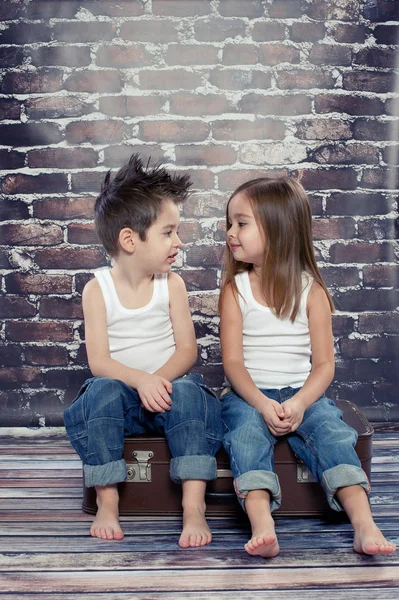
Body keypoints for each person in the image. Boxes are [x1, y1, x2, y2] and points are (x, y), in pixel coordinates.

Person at [218, 175, 396, 558]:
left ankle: (364, 523)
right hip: (250, 396)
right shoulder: (236, 291)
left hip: (304, 394)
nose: (231, 232)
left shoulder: (311, 291)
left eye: (242, 223)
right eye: (229, 223)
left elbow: (324, 366)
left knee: (333, 435)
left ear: (278, 228)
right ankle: (263, 525)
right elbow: (233, 363)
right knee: (246, 438)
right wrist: (262, 405)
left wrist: (299, 403)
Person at [64, 154, 222, 548]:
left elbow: (187, 351)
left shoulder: (172, 285)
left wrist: (158, 381)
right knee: (98, 391)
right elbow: (99, 361)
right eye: (168, 232)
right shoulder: (97, 289)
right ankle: (107, 499)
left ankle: (193, 505)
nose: (178, 242)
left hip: (168, 393)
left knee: (190, 391)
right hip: (124, 399)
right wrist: (140, 381)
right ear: (130, 240)